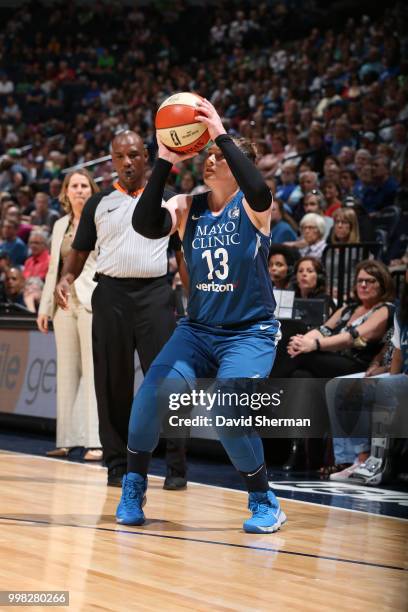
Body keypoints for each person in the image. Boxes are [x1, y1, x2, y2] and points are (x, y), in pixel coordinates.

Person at [116, 98, 286, 534]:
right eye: (206, 155)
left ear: (235, 161)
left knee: (229, 410)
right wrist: (166, 161)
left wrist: (219, 133)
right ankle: (133, 486)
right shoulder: (186, 206)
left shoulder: (254, 207)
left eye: (218, 156)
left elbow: (260, 189)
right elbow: (144, 224)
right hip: (197, 331)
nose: (210, 160)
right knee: (151, 396)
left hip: (249, 332)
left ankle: (264, 499)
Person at [55, 131, 187, 488]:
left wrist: (193, 298)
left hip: (155, 296)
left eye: (133, 155)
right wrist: (66, 278)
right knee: (112, 383)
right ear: (111, 161)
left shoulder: (170, 199)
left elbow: (181, 253)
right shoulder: (99, 203)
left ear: (146, 156)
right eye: (119, 157)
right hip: (111, 295)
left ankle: (176, 466)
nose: (127, 162)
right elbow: (79, 252)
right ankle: (117, 464)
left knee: (167, 381)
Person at [37, 169, 102, 461]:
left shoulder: (101, 219)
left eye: (84, 185)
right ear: (66, 192)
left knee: (92, 372)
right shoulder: (60, 224)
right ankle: (66, 440)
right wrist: (44, 308)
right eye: (74, 186)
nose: (79, 190)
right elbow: (54, 269)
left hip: (91, 300)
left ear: (92, 190)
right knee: (66, 373)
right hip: (64, 305)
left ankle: (94, 441)